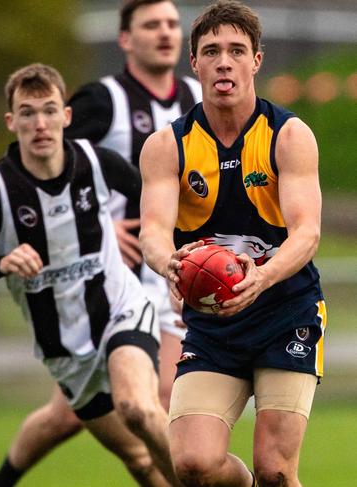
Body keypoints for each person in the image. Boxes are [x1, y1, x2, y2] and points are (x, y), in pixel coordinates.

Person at [0, 1, 201, 485]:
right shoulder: (104, 99)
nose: (164, 33)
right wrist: (99, 228)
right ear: (125, 39)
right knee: (144, 409)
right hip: (119, 279)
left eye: (170, 24)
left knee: (115, 415)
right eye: (150, 25)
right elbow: (38, 164)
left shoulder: (198, 98)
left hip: (181, 266)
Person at [0, 63, 182, 487]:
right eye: (28, 113)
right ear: (11, 121)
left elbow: (160, 209)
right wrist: (0, 263)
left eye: (50, 110)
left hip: (121, 310)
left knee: (139, 409)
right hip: (64, 349)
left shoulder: (96, 161)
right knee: (140, 461)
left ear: (66, 116)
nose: (40, 123)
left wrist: (175, 259)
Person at [139, 1, 325, 486]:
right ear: (194, 62)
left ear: (257, 61)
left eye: (237, 50)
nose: (225, 61)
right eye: (212, 51)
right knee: (192, 466)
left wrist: (260, 276)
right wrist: (169, 264)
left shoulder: (288, 135)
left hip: (287, 314)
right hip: (213, 325)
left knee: (277, 471)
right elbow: (153, 232)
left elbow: (307, 232)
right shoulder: (167, 146)